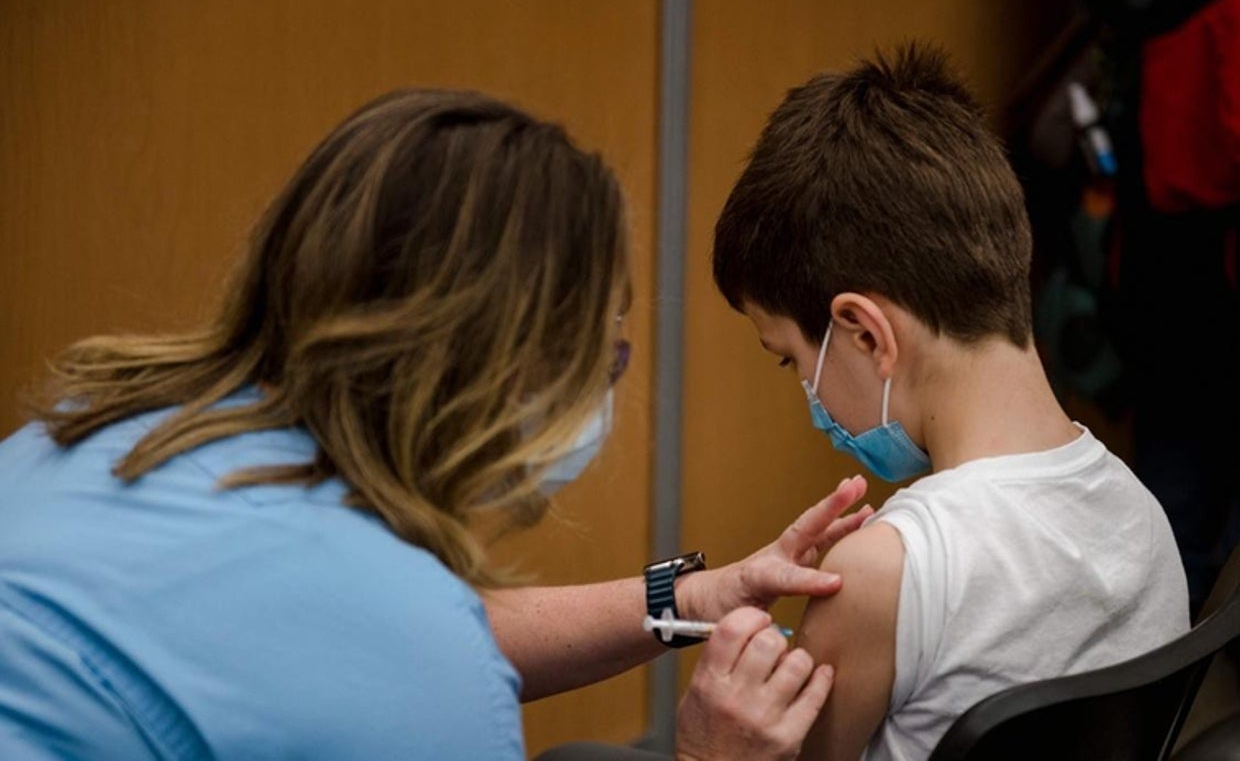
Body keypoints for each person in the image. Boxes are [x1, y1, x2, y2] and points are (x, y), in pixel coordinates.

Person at [0, 88, 870, 759]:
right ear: (510, 366)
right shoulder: (403, 658)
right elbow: (392, 647)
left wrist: (685, 602)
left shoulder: (96, 432)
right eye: (603, 360)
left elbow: (340, 634)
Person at [709, 43, 1191, 760]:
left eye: (792, 361)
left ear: (865, 333)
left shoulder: (882, 575)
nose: (808, 397)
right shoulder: (1145, 519)